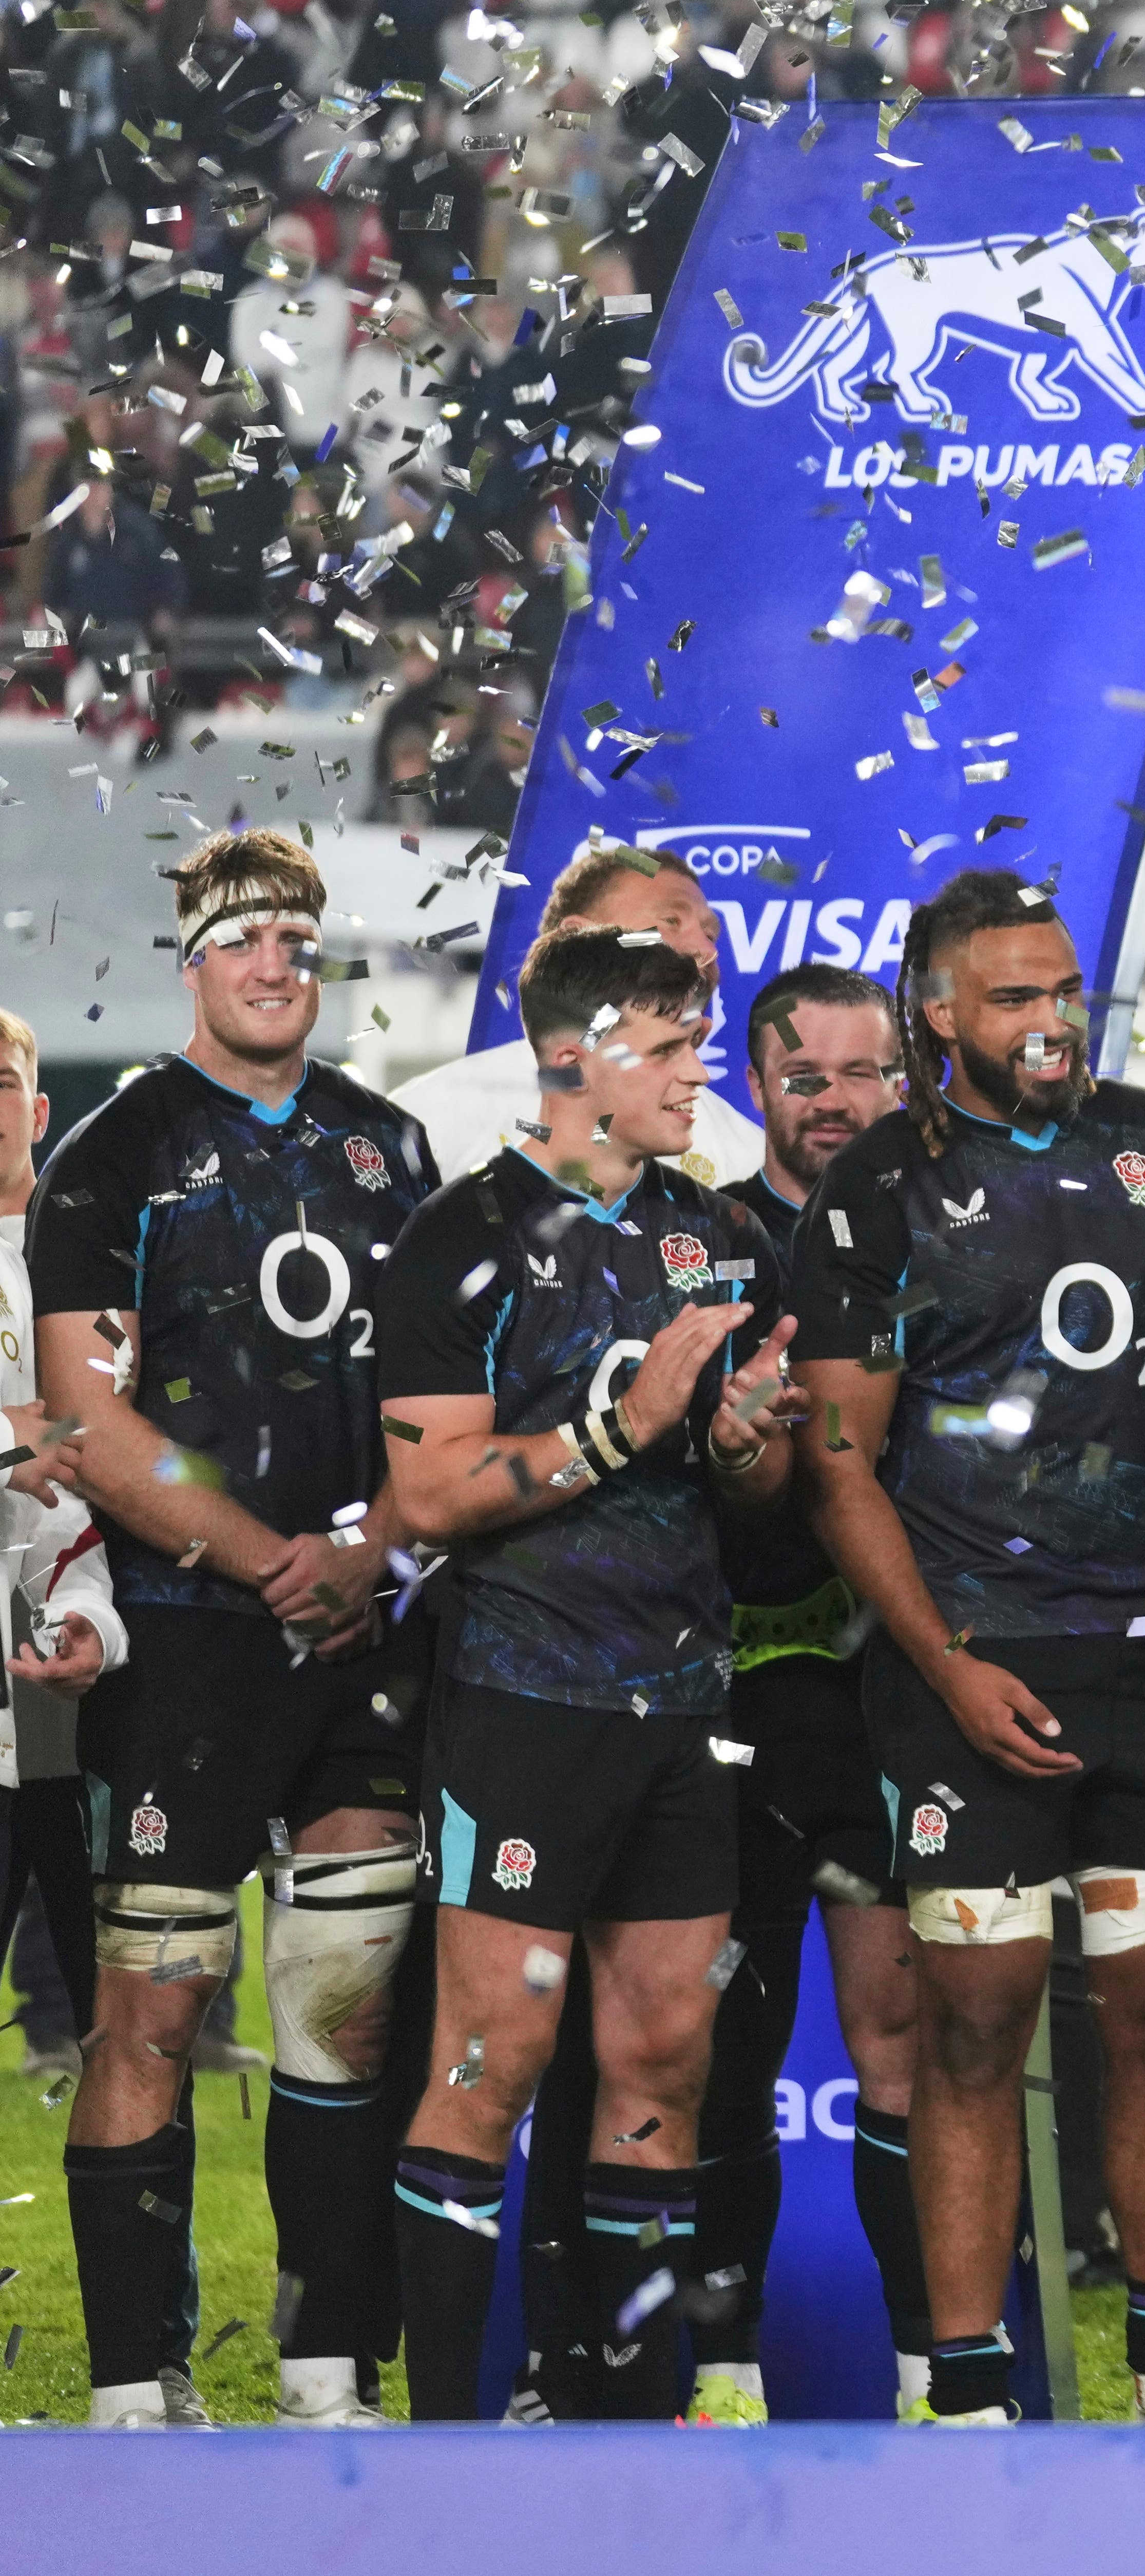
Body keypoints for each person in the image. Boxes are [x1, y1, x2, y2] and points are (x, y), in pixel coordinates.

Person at [788, 868, 1145, 2427]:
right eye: (1011, 997)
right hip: (968, 1663)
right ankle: (968, 2393)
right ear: (937, 1014)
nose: (1049, 1021)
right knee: (972, 2025)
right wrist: (944, 1664)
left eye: (1063, 991)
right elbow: (841, 1464)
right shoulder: (877, 1190)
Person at [36, 831, 440, 2429]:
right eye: (242, 937)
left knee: (344, 2008)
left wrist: (372, 1554)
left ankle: (325, 2368)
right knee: (155, 2002)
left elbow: (438, 1400)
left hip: (363, 1646)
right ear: (190, 959)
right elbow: (88, 1409)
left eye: (295, 934)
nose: (275, 962)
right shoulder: (114, 1158)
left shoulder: (393, 1150)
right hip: (186, 1639)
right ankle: (138, 2385)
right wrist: (278, 1557)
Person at [375, 923, 803, 2420]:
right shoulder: (462, 1238)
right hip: (520, 1706)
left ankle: (621, 2427)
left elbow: (744, 1500)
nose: (701, 1069)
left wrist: (750, 1446)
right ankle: (437, 2441)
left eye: (701, 1039)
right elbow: (426, 1494)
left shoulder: (719, 1236)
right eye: (672, 1045)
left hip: (684, 1713)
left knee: (665, 2058)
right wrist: (630, 1427)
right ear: (572, 1056)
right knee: (493, 2062)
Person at [692, 963, 925, 2414]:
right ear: (757, 1084)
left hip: (891, 1696)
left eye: (866, 1073)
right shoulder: (702, 1243)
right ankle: (720, 2378)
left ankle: (928, 2373)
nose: (839, 1103)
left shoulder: (949, 1228)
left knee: (906, 2043)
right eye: (810, 1078)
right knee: (726, 2043)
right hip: (726, 1704)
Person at [0, 1001, 122, 2212]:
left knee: (134, 2039)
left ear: (37, 1112)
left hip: (96, 1700)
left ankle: (152, 2358)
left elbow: (130, 1473)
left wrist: (102, 1622)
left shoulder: (95, 1274)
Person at [389, 838, 770, 1189]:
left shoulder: (747, 1157)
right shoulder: (427, 1120)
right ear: (576, 938)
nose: (705, 950)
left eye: (711, 933)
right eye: (671, 921)